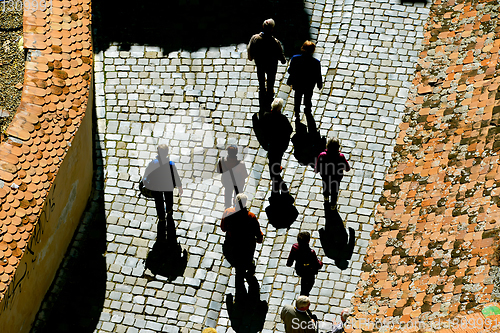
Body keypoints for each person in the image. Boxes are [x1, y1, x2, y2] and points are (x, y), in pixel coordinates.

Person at [221, 194, 263, 302]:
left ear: (235, 202)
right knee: (247, 259)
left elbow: (223, 228)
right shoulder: (251, 216)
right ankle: (248, 268)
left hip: (233, 244)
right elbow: (257, 231)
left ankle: (240, 293)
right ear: (245, 203)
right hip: (247, 244)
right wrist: (259, 238)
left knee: (238, 267)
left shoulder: (228, 212)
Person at [247, 18, 286, 116]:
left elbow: (250, 49)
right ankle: (269, 93)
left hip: (260, 63)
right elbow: (280, 55)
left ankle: (262, 90)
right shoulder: (275, 42)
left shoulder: (255, 38)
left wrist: (251, 57)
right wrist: (282, 60)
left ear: (263, 26)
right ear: (272, 29)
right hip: (271, 65)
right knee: (271, 80)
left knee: (261, 76)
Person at [143, 145, 183, 237]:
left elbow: (146, 175)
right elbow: (176, 176)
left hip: (156, 186)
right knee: (169, 199)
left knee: (158, 201)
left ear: (157, 152)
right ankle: (169, 211)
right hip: (168, 186)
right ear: (167, 153)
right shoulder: (171, 164)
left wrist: (146, 183)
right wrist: (180, 186)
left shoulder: (153, 163)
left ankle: (161, 217)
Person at [261, 98, 293, 197]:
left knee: (272, 163)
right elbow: (290, 130)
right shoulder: (282, 119)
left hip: (271, 145)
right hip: (279, 146)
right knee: (277, 160)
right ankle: (277, 181)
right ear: (279, 109)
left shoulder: (266, 116)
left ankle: (277, 183)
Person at [287, 41, 323, 125]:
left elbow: (290, 70)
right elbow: (318, 75)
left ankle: (296, 112)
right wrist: (319, 84)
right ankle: (307, 109)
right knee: (308, 97)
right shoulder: (316, 63)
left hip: (298, 83)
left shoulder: (295, 58)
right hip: (309, 85)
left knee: (297, 97)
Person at [315, 138, 350, 210]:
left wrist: (316, 170)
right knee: (334, 191)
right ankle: (333, 205)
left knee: (326, 187)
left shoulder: (322, 155)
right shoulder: (341, 157)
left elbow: (318, 165)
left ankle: (326, 197)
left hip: (325, 176)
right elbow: (347, 168)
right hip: (336, 178)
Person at [286, 231, 323, 296]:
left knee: (303, 282)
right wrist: (321, 263)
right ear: (308, 241)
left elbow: (289, 262)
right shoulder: (311, 253)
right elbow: (317, 265)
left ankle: (303, 294)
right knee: (308, 286)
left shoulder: (295, 248)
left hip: (300, 270)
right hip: (309, 272)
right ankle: (304, 296)